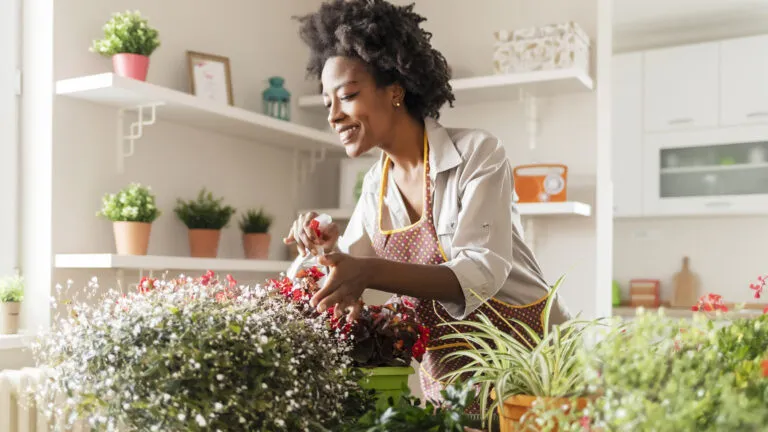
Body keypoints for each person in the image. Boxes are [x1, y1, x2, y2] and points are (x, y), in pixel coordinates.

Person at [286, 0, 571, 417]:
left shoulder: (478, 153)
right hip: (452, 386)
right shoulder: (375, 188)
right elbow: (344, 278)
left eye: (346, 96)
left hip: (533, 367)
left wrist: (367, 270)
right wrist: (324, 251)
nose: (333, 115)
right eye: (327, 101)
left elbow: (482, 271)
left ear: (395, 90)